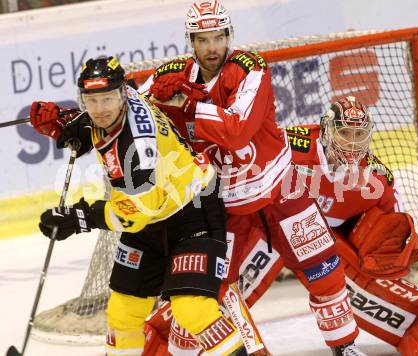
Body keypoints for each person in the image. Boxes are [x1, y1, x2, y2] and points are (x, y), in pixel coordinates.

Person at [137, 1, 365, 355]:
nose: (212, 47)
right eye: (202, 39)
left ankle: (345, 347)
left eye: (218, 37)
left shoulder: (251, 68)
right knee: (212, 290)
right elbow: (129, 112)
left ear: (230, 36)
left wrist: (187, 105)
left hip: (280, 191)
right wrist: (82, 115)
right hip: (224, 206)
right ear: (190, 41)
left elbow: (238, 130)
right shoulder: (172, 75)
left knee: (324, 268)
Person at [29, 56, 252, 356]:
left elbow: (133, 216)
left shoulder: (136, 153)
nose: (100, 109)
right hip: (154, 218)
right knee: (122, 314)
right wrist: (72, 124)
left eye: (106, 99)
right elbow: (108, 112)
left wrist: (79, 217)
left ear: (120, 95)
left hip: (193, 213)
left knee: (192, 310)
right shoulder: (125, 97)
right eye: (91, 101)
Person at [283, 96, 418, 356]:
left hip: (326, 245)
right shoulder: (290, 144)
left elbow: (393, 231)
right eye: (345, 132)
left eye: (359, 133)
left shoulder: (378, 179)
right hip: (271, 228)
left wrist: (390, 256)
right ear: (326, 130)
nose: (353, 142)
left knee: (337, 277)